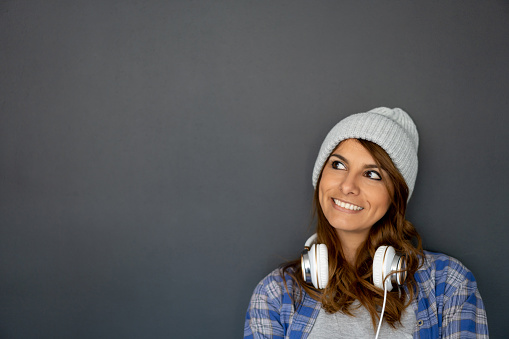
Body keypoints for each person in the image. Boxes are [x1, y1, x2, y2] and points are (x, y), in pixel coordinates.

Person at [244, 107, 489, 338]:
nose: (348, 186)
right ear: (320, 176)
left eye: (372, 174)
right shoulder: (275, 294)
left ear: (396, 196)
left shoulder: (449, 284)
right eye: (338, 165)